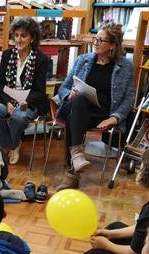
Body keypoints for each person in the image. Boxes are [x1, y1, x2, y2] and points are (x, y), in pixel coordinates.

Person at [54, 22, 134, 191]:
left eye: (100, 40)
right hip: (75, 105)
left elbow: (129, 97)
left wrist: (115, 117)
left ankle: (73, 170)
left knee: (73, 117)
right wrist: (69, 94)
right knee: (78, 102)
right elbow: (63, 87)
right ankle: (76, 159)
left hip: (102, 114)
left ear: (112, 46)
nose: (95, 43)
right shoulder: (82, 61)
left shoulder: (125, 66)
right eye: (95, 38)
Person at [0, 16, 49, 165]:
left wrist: (25, 101)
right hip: (6, 98)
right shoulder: (7, 55)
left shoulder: (41, 60)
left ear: (32, 37)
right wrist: (7, 101)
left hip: (28, 102)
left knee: (19, 117)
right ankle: (12, 144)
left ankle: (8, 146)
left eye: (23, 35)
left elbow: (39, 91)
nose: (19, 39)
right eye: (16, 35)